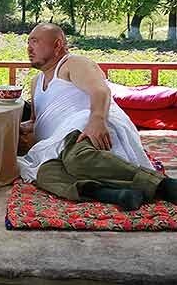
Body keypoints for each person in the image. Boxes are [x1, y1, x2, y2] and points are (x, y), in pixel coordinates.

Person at [18, 23, 177, 210]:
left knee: (77, 159)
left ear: (57, 44)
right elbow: (37, 121)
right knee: (44, 172)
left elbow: (100, 90)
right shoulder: (36, 82)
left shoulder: (73, 63)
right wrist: (18, 128)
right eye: (28, 42)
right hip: (55, 144)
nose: (29, 47)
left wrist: (97, 120)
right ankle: (114, 194)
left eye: (35, 42)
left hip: (85, 128)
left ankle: (164, 186)